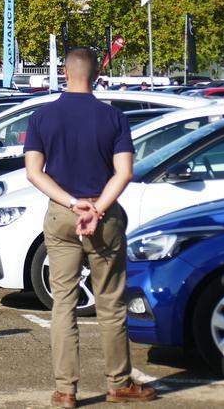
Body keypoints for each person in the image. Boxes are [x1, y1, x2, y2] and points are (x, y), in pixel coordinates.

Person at [24, 48, 156, 407]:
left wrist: (71, 203)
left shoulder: (42, 117)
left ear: (65, 72)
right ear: (96, 74)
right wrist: (96, 207)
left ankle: (66, 390)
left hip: (62, 216)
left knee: (63, 304)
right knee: (111, 304)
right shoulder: (114, 118)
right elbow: (124, 172)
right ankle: (119, 383)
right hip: (104, 216)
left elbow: (34, 172)